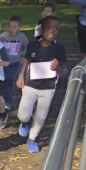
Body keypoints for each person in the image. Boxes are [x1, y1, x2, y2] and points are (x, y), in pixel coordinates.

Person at [16, 15, 66, 152]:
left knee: (41, 117)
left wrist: (57, 68)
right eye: (48, 28)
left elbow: (63, 71)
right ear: (41, 30)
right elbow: (26, 61)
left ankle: (32, 139)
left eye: (55, 28)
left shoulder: (59, 49)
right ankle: (25, 122)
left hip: (48, 89)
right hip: (30, 86)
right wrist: (21, 75)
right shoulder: (33, 46)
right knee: (23, 115)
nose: (52, 31)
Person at [0, 15, 29, 111]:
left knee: (8, 80)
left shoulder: (21, 36)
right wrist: (3, 51)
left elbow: (28, 46)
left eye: (14, 27)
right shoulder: (4, 36)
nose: (11, 29)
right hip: (3, 63)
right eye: (9, 26)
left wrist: (23, 54)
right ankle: (1, 98)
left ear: (19, 27)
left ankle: (7, 102)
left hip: (14, 63)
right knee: (2, 81)